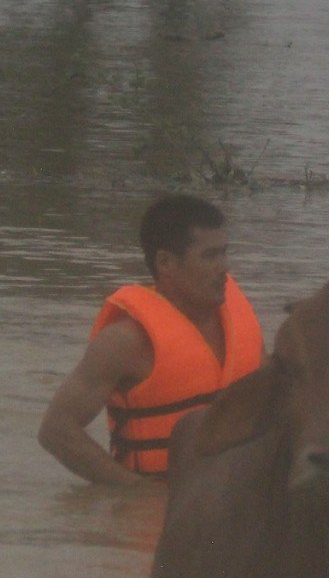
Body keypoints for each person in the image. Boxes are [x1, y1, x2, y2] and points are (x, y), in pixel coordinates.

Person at [39, 195, 264, 487]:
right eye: (210, 256)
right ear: (165, 262)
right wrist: (137, 492)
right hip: (159, 508)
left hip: (233, 496)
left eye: (224, 253)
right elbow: (56, 431)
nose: (225, 267)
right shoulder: (125, 342)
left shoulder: (240, 323)